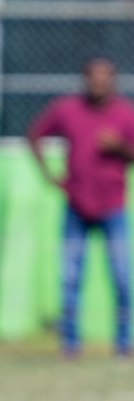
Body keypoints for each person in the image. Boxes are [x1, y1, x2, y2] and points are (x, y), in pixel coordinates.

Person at [27, 56, 134, 358]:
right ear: (85, 79)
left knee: (123, 276)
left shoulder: (126, 114)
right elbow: (34, 134)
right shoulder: (67, 109)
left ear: (114, 80)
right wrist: (50, 176)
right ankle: (70, 344)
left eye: (105, 77)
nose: (99, 82)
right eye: (93, 76)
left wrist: (119, 148)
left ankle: (124, 344)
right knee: (71, 277)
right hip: (76, 205)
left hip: (113, 206)